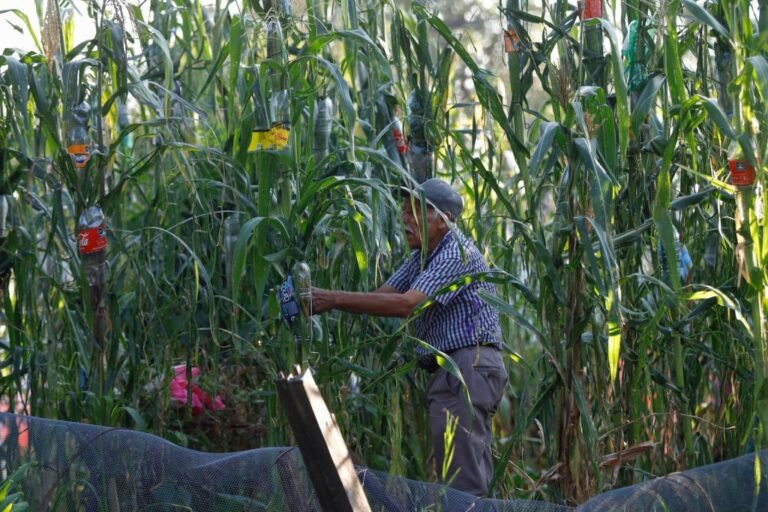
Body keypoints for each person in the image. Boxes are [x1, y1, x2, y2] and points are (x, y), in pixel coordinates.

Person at [311, 178, 508, 497]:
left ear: (443, 221)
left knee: (465, 482)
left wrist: (329, 299)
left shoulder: (456, 253)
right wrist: (323, 299)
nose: (404, 218)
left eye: (415, 211)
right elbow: (382, 295)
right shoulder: (422, 257)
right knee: (459, 474)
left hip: (467, 367)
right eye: (404, 210)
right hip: (454, 370)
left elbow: (405, 305)